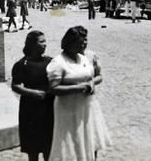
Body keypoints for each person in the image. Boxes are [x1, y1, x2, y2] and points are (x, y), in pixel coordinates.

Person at [47, 26, 111, 161]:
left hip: (87, 107)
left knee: (89, 140)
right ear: (69, 42)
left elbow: (94, 76)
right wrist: (79, 88)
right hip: (68, 109)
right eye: (80, 42)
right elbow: (53, 88)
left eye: (85, 41)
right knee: (71, 144)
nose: (83, 45)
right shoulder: (58, 62)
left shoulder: (83, 58)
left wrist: (92, 83)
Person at [11, 31, 54, 161]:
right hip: (30, 109)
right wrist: (33, 93)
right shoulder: (22, 64)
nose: (45, 44)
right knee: (33, 148)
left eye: (45, 41)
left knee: (48, 146)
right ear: (32, 44)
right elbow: (15, 85)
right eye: (41, 42)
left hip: (48, 108)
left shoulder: (51, 62)